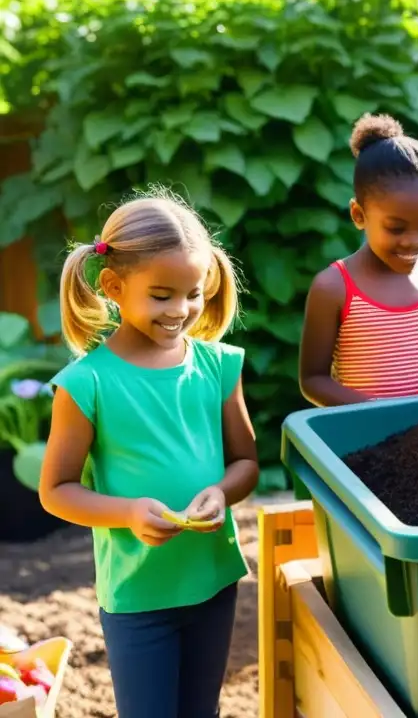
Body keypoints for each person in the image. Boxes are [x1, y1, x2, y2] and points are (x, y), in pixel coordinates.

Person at [38, 191, 259, 718]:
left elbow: (246, 465)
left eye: (193, 294)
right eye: (161, 295)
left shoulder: (218, 366)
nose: (180, 311)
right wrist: (129, 513)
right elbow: (55, 491)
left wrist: (221, 493)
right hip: (138, 595)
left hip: (212, 581)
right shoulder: (87, 383)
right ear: (113, 287)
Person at [299, 113, 418, 406]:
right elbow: (313, 380)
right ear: (359, 216)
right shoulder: (333, 288)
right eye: (396, 228)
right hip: (367, 444)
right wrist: (375, 412)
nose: (414, 240)